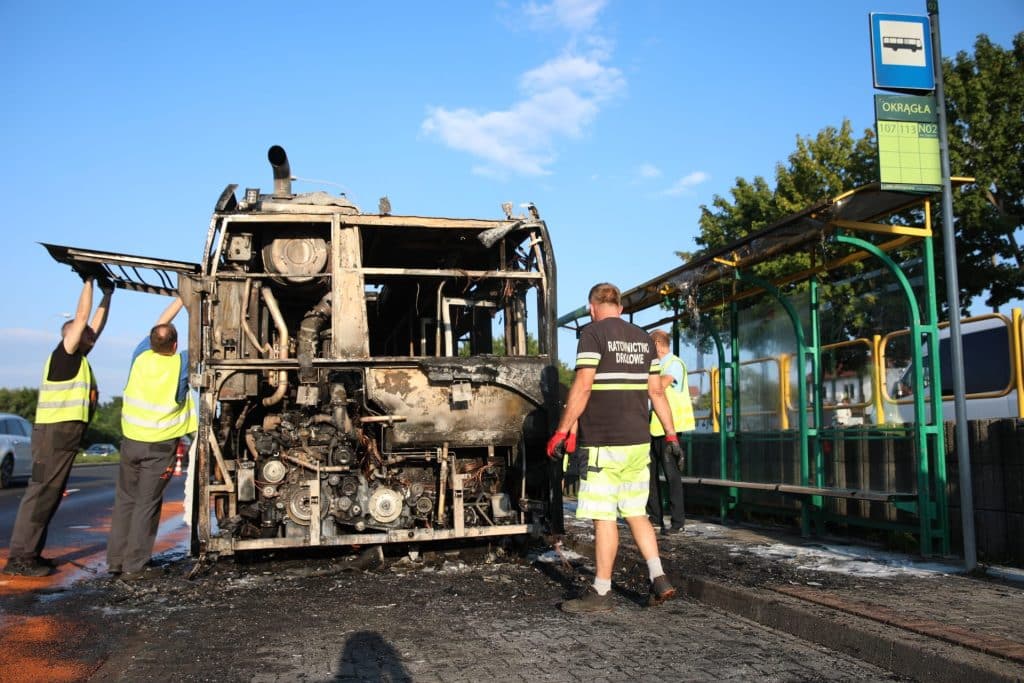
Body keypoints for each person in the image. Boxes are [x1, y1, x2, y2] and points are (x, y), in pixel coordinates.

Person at [547, 283, 683, 613]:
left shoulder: (592, 334)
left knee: (604, 516)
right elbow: (657, 393)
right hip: (637, 442)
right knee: (636, 511)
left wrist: (561, 431)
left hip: (604, 442)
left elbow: (582, 385)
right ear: (620, 308)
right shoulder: (642, 338)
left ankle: (602, 592)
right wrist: (671, 435)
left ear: (592, 307)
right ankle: (659, 577)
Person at [3, 276, 113, 576]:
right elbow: (81, 319)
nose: (92, 335)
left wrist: (108, 293)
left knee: (47, 497)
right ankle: (20, 558)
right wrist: (88, 281)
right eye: (86, 334)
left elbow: (96, 326)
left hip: (60, 438)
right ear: (72, 337)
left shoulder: (78, 358)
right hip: (51, 438)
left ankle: (31, 554)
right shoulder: (64, 356)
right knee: (40, 496)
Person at [107, 296, 196, 581]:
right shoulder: (180, 363)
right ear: (173, 345)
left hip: (131, 442)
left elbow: (160, 324)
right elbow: (199, 342)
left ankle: (116, 560)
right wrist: (194, 300)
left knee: (125, 500)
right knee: (147, 504)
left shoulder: (141, 356)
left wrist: (180, 299)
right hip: (159, 447)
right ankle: (136, 565)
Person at [646, 329, 695, 535]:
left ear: (657, 344)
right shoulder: (657, 365)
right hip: (654, 428)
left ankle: (678, 522)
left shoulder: (673, 363)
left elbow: (660, 386)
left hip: (670, 430)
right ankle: (655, 518)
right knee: (651, 476)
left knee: (671, 475)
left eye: (649, 345)